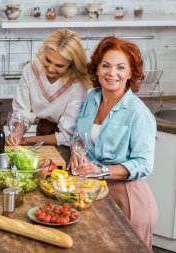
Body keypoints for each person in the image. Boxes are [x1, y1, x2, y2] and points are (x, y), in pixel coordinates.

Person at [68, 36, 158, 246]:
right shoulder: (92, 98)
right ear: (97, 69)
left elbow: (143, 164)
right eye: (106, 65)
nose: (112, 73)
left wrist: (101, 170)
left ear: (130, 73)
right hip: (93, 190)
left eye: (120, 67)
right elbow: (79, 136)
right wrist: (77, 151)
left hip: (128, 196)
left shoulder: (138, 113)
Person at [6, 28, 92, 147]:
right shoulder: (31, 70)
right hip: (43, 131)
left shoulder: (78, 84)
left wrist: (26, 140)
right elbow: (22, 112)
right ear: (44, 51)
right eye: (47, 60)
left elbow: (67, 136)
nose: (51, 69)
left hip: (65, 144)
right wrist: (17, 135)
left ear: (71, 65)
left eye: (59, 66)